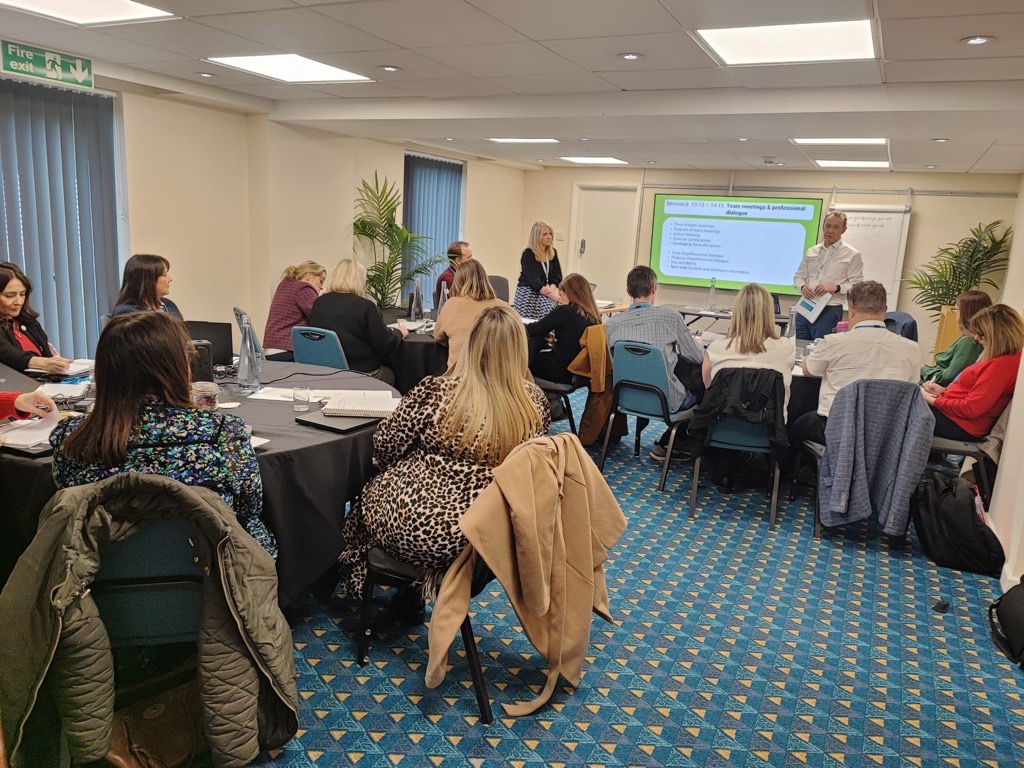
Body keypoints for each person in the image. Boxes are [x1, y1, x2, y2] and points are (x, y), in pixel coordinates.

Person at [337, 305, 550, 622]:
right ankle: (413, 591)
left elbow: (385, 446)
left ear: (472, 343)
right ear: (519, 349)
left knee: (367, 496)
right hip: (476, 541)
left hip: (410, 524)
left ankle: (358, 578)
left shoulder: (435, 391)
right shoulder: (534, 406)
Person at [49, 312, 276, 557]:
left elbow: (70, 503)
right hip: (212, 572)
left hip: (97, 575)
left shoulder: (73, 439)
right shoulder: (222, 435)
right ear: (177, 367)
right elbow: (249, 507)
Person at [789, 280, 919, 446]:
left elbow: (810, 370)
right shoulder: (911, 348)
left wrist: (807, 358)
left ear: (851, 310)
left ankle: (798, 470)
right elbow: (913, 387)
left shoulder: (832, 343)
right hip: (888, 434)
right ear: (885, 311)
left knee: (795, 426)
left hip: (837, 428)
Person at [606, 265, 705, 461]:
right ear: (654, 289)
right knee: (705, 387)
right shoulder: (670, 317)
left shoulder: (611, 324)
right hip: (666, 401)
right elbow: (698, 357)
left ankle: (669, 442)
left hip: (626, 398)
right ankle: (677, 443)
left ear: (628, 292)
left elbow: (615, 363)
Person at [922, 303, 1023, 441]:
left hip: (961, 424)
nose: (976, 338)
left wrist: (933, 400)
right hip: (956, 417)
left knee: (900, 408)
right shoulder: (1004, 359)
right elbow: (972, 395)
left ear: (997, 337)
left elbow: (971, 408)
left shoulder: (1001, 367)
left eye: (981, 335)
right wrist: (943, 392)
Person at [308, 259, 407, 385]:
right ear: (359, 281)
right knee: (391, 374)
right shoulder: (366, 306)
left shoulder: (319, 303)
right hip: (363, 374)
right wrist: (400, 332)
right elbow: (386, 345)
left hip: (328, 372)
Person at [703, 283, 796, 412]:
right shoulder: (786, 347)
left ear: (736, 312)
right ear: (769, 313)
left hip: (721, 426)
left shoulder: (715, 349)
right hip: (769, 427)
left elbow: (709, 389)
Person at [793, 212, 864, 340]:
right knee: (799, 347)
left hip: (829, 309)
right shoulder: (812, 251)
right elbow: (798, 277)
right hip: (806, 305)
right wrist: (802, 287)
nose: (830, 231)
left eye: (836, 227)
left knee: (821, 350)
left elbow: (857, 287)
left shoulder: (852, 254)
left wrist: (836, 287)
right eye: (828, 226)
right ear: (823, 227)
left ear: (844, 230)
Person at [527, 272, 602, 384]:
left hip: (560, 370)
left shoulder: (565, 311)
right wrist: (554, 341)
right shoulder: (594, 317)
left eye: (561, 295)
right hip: (581, 372)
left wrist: (518, 324)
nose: (559, 300)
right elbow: (573, 340)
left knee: (525, 357)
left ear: (569, 294)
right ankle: (551, 396)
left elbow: (534, 330)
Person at [433, 258, 506, 368]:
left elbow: (438, 337)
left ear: (458, 281)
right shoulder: (504, 306)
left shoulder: (452, 305)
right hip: (499, 377)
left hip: (460, 378)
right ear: (485, 279)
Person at [0, 265, 71, 373]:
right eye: (10, 296)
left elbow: (48, 356)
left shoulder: (29, 323)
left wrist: (57, 362)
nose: (19, 302)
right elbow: (8, 355)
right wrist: (45, 363)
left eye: (22, 294)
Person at [920, 290, 992, 386]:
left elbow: (948, 377)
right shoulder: (972, 338)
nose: (955, 313)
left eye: (956, 309)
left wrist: (922, 369)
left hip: (934, 386)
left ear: (966, 313)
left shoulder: (969, 343)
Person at [262, 260, 326, 357]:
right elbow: (319, 316)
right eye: (321, 281)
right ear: (309, 275)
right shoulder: (303, 288)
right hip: (287, 350)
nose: (322, 287)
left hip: (271, 350)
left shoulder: (286, 285)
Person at [111, 253, 184, 321]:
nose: (170, 279)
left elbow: (183, 333)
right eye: (164, 275)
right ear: (148, 280)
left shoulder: (168, 304)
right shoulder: (129, 313)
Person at [513, 220, 563, 319]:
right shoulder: (528, 254)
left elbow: (557, 277)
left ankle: (549, 335)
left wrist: (551, 290)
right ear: (537, 237)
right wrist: (552, 296)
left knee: (551, 313)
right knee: (526, 317)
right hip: (528, 291)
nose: (549, 237)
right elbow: (534, 282)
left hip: (546, 291)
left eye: (550, 234)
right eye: (545, 234)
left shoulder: (553, 253)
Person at [433, 241, 472, 307]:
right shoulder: (448, 278)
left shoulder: (462, 275)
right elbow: (464, 301)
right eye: (469, 257)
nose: (472, 260)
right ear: (458, 260)